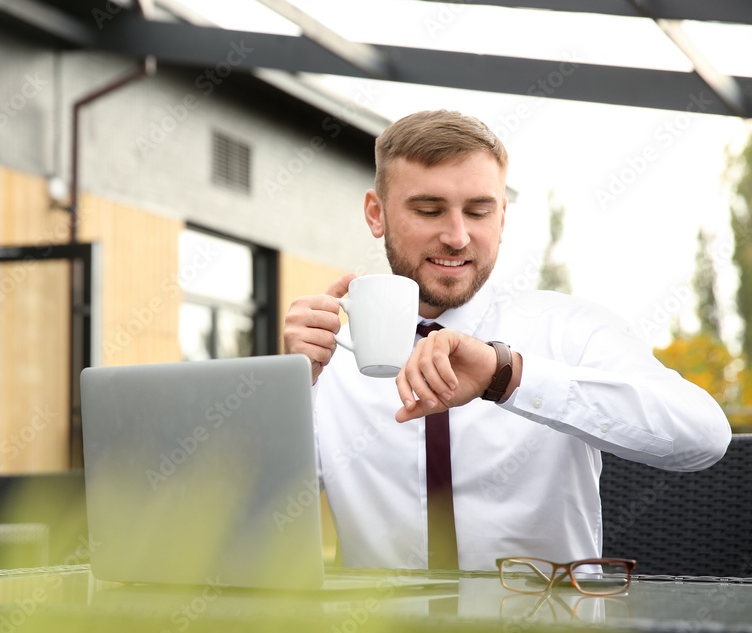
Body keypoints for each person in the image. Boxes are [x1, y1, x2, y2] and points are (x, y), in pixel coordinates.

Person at [283, 109, 732, 571]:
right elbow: (244, 522)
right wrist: (291, 389)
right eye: (428, 210)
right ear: (376, 215)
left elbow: (705, 437)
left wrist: (510, 377)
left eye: (479, 211)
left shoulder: (568, 328)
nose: (457, 237)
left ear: (502, 219)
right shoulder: (331, 354)